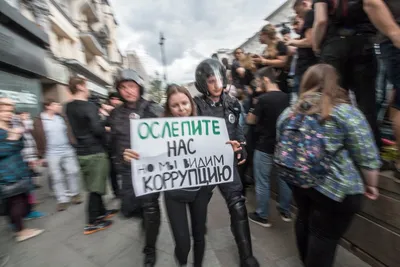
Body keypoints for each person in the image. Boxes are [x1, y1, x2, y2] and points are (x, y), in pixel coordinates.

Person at [123, 84, 243, 266]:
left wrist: (230, 150)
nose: (181, 109)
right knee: (183, 243)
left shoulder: (205, 128)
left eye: (185, 103)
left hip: (201, 193)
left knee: (199, 236)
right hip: (174, 195)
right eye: (175, 105)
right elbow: (147, 157)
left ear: (191, 104)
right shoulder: (158, 132)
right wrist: (132, 158)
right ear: (169, 109)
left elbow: (216, 153)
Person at [276, 64, 381, 267]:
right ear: (334, 84)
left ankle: (305, 260)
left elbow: (281, 142)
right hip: (336, 189)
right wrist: (372, 184)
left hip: (300, 180)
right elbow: (367, 155)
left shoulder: (288, 113)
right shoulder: (345, 113)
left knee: (304, 219)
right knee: (324, 236)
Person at [193, 58, 259, 267]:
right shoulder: (195, 105)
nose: (216, 84)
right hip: (203, 164)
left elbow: (238, 128)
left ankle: (246, 255)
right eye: (212, 80)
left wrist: (241, 145)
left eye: (219, 79)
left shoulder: (232, 102)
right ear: (203, 83)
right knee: (198, 203)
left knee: (237, 205)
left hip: (225, 163)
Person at [109, 69, 163, 267]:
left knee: (150, 208)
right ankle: (146, 221)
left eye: (131, 86)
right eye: (123, 87)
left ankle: (150, 249)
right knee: (130, 208)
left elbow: (168, 137)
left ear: (139, 87)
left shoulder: (153, 109)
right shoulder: (114, 114)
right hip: (126, 168)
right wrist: (121, 156)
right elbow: (113, 142)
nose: (128, 91)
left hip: (150, 168)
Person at [65, 77, 118, 235]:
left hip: (81, 152)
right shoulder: (88, 106)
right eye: (86, 86)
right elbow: (97, 129)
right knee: (96, 188)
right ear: (80, 87)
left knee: (94, 184)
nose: (87, 89)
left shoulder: (68, 107)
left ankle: (102, 212)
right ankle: (92, 222)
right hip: (94, 151)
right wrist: (106, 128)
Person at [246, 67, 292, 227]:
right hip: (282, 147)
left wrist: (255, 100)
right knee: (284, 180)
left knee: (263, 181)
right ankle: (285, 211)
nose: (258, 84)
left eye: (259, 81)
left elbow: (250, 120)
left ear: (265, 80)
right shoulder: (288, 97)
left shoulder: (264, 99)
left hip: (264, 146)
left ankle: (262, 215)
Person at [0, 97, 44, 242]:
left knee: (20, 201)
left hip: (18, 168)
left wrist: (16, 137)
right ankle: (21, 231)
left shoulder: (10, 126)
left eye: (10, 110)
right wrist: (13, 139)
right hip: (6, 173)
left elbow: (21, 145)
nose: (7, 113)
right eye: (3, 110)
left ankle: (17, 224)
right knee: (16, 202)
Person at [32, 99, 82, 212]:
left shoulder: (61, 117)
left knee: (73, 171)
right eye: (56, 104)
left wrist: (73, 142)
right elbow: (36, 138)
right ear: (48, 106)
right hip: (51, 152)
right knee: (57, 177)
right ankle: (62, 200)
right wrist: (39, 155)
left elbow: (69, 131)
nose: (59, 106)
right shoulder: (39, 120)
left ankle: (75, 194)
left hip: (67, 149)